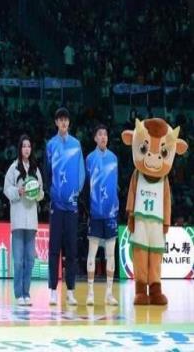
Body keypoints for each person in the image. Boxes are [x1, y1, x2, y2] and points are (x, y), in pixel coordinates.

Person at [45, 108, 85, 306]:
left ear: (69, 122)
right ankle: (53, 290)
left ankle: (70, 291)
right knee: (54, 248)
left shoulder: (76, 144)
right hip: (56, 205)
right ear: (56, 122)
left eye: (66, 120)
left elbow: (81, 172)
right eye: (60, 119)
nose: (63, 122)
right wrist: (52, 193)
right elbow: (47, 172)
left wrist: (76, 192)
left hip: (72, 205)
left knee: (71, 249)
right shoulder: (51, 145)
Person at [4, 135, 44, 306]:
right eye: (24, 146)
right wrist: (18, 191)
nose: (26, 149)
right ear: (20, 149)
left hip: (31, 220)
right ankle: (18, 293)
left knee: (30, 260)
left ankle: (27, 293)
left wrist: (37, 193)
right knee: (19, 260)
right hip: (18, 219)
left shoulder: (35, 169)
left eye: (29, 146)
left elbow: (41, 193)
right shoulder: (13, 168)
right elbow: (6, 189)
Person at [85, 125, 119, 306]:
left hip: (111, 214)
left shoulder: (114, 158)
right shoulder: (90, 159)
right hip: (95, 213)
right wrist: (88, 209)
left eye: (105, 134)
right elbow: (85, 185)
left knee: (110, 255)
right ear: (95, 138)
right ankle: (90, 293)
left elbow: (115, 185)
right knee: (92, 253)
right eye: (100, 134)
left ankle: (109, 294)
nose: (103, 137)